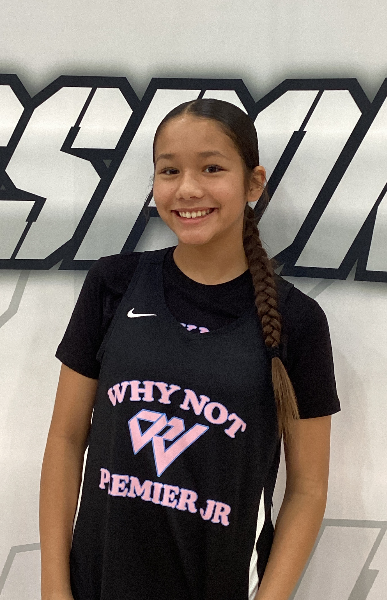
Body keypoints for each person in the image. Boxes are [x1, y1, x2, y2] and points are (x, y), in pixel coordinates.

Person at [39, 98, 340, 600]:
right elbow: (67, 439)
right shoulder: (114, 284)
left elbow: (308, 489)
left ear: (254, 184)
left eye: (212, 168)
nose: (187, 189)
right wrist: (53, 587)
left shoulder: (299, 322)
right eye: (169, 170)